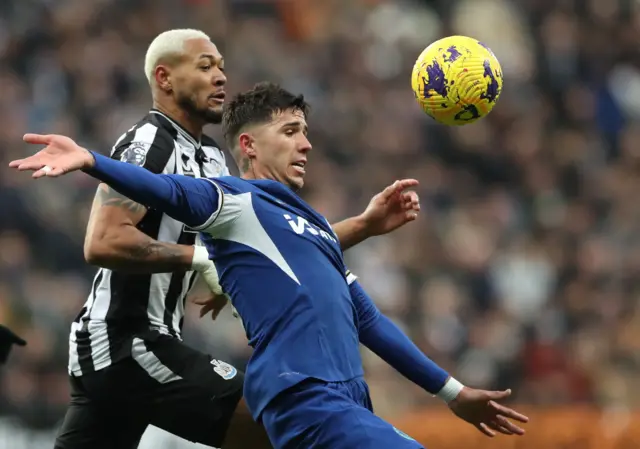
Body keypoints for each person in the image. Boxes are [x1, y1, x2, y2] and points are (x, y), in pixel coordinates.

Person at [11, 82, 529, 449]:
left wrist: (453, 392)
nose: (306, 143)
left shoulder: (314, 227)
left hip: (346, 402)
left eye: (305, 132)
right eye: (291, 131)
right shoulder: (236, 201)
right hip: (306, 398)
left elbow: (366, 320)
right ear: (248, 144)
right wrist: (91, 160)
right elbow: (167, 189)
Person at [35, 28, 421, 449]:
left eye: (221, 67)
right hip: (126, 340)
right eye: (205, 67)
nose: (220, 77)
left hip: (136, 347)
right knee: (281, 421)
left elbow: (278, 243)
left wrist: (362, 225)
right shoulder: (150, 142)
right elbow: (103, 242)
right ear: (164, 79)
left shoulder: (213, 159)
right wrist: (200, 257)